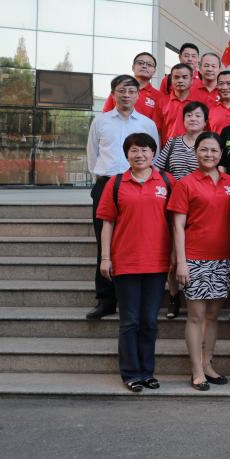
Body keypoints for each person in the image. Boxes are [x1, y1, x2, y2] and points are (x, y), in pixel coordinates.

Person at [95, 132, 171, 392]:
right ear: (127, 155)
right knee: (130, 321)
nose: (140, 155)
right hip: (126, 262)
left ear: (154, 153)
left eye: (145, 150)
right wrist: (105, 258)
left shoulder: (166, 181)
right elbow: (107, 223)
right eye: (134, 150)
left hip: (157, 263)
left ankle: (147, 372)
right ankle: (130, 373)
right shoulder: (116, 183)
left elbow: (175, 222)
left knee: (149, 321)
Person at [169, 132, 230, 391]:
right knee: (196, 316)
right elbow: (178, 226)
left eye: (214, 150)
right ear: (196, 152)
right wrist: (181, 262)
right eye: (204, 149)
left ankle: (208, 363)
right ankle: (196, 370)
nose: (209, 154)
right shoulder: (185, 184)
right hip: (195, 258)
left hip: (224, 258)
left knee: (213, 315)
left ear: (221, 154)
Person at [85, 75, 160, 320]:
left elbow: (155, 155)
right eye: (121, 91)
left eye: (131, 91)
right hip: (107, 184)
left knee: (137, 240)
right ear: (113, 94)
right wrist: (103, 179)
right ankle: (106, 299)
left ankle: (137, 298)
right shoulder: (101, 121)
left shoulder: (147, 124)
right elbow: (92, 154)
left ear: (138, 95)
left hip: (139, 186)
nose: (126, 95)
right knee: (104, 241)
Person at [154, 99, 209, 320]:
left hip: (201, 208)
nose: (193, 119)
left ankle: (200, 295)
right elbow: (157, 170)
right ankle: (174, 297)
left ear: (205, 121)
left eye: (198, 116)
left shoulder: (209, 143)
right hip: (174, 206)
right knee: (174, 256)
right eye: (189, 115)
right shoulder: (173, 143)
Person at [102, 52, 164, 136]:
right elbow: (106, 117)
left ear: (154, 71)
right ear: (133, 67)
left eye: (149, 64)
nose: (144, 66)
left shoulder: (159, 97)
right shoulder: (120, 90)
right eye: (140, 63)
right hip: (117, 137)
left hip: (144, 141)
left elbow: (158, 128)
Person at [161, 64, 196, 141]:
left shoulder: (199, 102)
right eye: (176, 77)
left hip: (194, 147)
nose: (180, 80)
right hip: (168, 147)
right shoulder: (161, 102)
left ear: (191, 80)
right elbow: (157, 129)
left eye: (184, 77)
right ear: (171, 80)